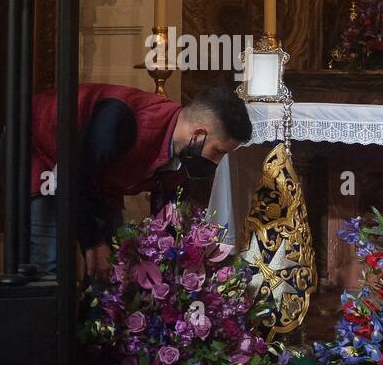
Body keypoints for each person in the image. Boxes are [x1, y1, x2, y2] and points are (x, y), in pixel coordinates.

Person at [27, 83, 252, 277]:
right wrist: (94, 242)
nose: (218, 161)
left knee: (113, 266)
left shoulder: (186, 153)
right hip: (38, 152)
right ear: (199, 134)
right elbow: (73, 177)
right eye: (219, 151)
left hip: (95, 179)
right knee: (49, 265)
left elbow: (166, 217)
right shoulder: (121, 120)